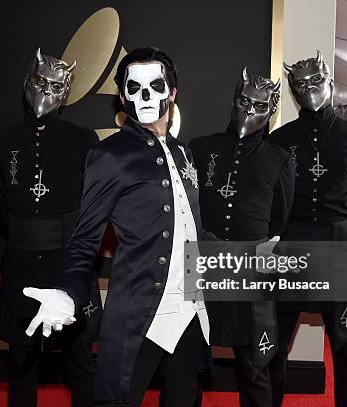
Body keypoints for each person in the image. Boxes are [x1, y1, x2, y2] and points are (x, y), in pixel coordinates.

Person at [23, 47, 213, 406]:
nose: (144, 96)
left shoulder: (185, 153)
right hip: (138, 312)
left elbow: (194, 231)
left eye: (155, 86)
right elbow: (83, 241)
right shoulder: (108, 156)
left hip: (190, 310)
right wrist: (68, 292)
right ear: (123, 96)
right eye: (133, 87)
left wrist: (250, 257)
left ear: (172, 93)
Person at [0, 48, 98, 407]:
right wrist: (29, 235)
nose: (46, 90)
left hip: (69, 261)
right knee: (21, 360)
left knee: (79, 358)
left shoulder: (85, 141)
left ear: (66, 94)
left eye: (56, 86)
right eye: (39, 81)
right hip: (20, 261)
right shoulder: (1, 143)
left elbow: (93, 205)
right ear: (25, 83)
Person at [268, 51, 347, 407]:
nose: (309, 88)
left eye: (315, 80)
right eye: (300, 84)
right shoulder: (279, 140)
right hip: (292, 252)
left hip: (338, 252)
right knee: (273, 348)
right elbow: (274, 201)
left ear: (330, 81)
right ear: (293, 91)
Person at [189, 68, 294, 407]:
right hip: (202, 265)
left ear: (271, 111)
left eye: (260, 106)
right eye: (244, 102)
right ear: (233, 102)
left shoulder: (279, 159)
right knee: (187, 363)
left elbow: (281, 220)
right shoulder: (200, 149)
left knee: (254, 367)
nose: (250, 110)